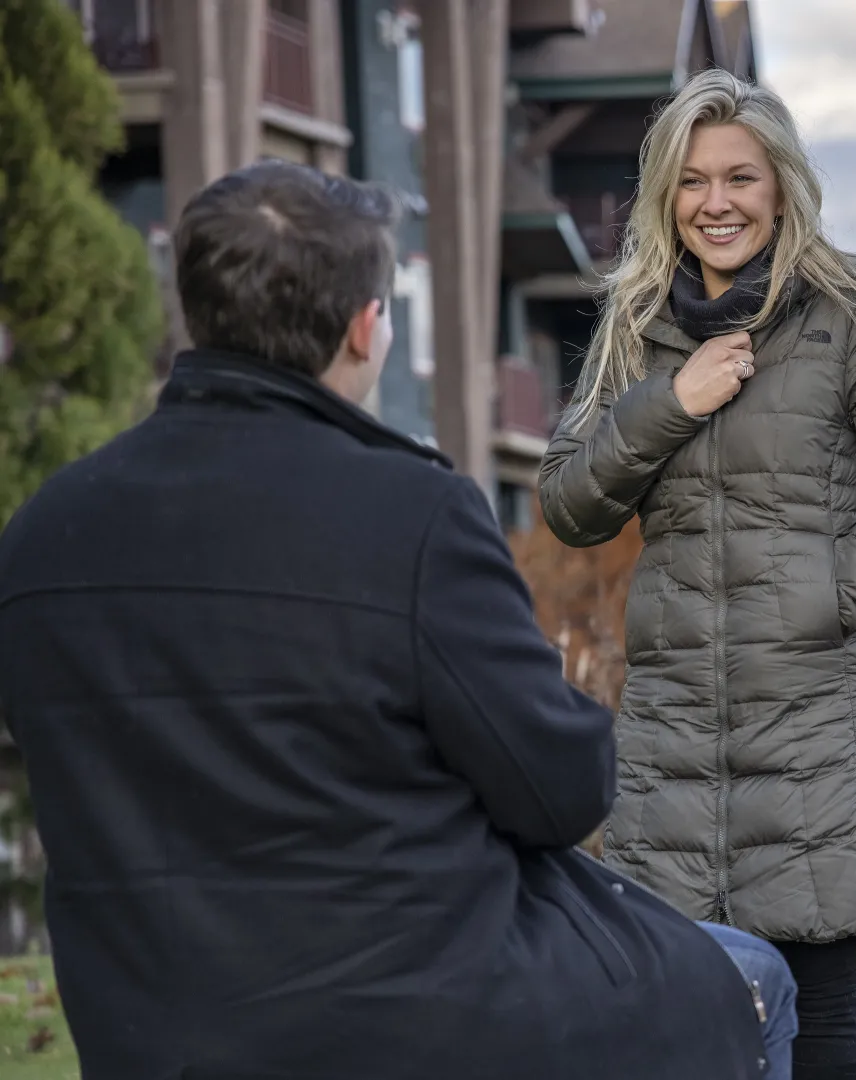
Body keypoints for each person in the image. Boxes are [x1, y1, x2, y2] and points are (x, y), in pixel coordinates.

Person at [0, 160, 796, 1080]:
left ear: (197, 310)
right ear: (365, 327)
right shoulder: (412, 517)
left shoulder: (40, 541)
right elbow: (561, 792)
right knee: (751, 979)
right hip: (415, 1023)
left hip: (155, 1033)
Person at [539, 69, 856, 1079]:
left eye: (740, 177)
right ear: (664, 197)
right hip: (677, 731)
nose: (717, 203)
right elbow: (568, 503)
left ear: (782, 187)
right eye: (692, 182)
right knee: (682, 1010)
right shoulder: (635, 326)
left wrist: (824, 599)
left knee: (820, 1010)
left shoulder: (846, 314)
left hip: (816, 723)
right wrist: (668, 403)